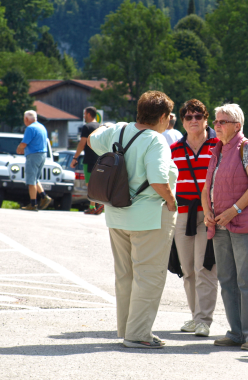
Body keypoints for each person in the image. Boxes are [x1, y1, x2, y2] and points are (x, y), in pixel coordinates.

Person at [88, 91, 178, 349]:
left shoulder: (118, 130)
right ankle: (138, 334)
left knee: (124, 274)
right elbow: (159, 180)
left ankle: (127, 328)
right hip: (148, 216)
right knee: (149, 275)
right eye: (169, 116)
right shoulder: (156, 140)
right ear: (161, 117)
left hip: (116, 213)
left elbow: (93, 139)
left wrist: (107, 126)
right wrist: (172, 202)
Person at [201, 103, 248, 351]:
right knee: (227, 278)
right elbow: (206, 187)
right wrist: (208, 211)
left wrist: (234, 210)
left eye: (222, 121)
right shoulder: (217, 150)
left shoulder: (247, 148)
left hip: (244, 223)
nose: (216, 125)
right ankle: (237, 332)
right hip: (218, 224)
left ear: (237, 126)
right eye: (216, 121)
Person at [172, 99, 220, 337]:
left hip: (209, 214)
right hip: (182, 214)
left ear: (206, 119)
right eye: (188, 117)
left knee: (206, 269)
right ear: (182, 121)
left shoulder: (218, 146)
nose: (193, 121)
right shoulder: (174, 150)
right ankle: (195, 316)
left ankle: (204, 320)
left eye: (198, 116)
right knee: (188, 270)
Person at [16, 110, 52, 211]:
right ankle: (44, 197)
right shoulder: (42, 127)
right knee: (35, 178)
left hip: (33, 154)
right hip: (42, 154)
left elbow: (24, 143)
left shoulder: (30, 128)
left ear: (26, 119)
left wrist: (19, 148)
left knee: (31, 181)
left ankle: (33, 204)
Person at [71, 106, 103, 215]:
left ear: (89, 114)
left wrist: (75, 158)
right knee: (98, 183)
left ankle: (92, 206)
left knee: (90, 184)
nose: (84, 116)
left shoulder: (87, 127)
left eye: (84, 114)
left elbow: (82, 143)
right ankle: (98, 203)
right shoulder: (101, 127)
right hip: (101, 159)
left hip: (89, 159)